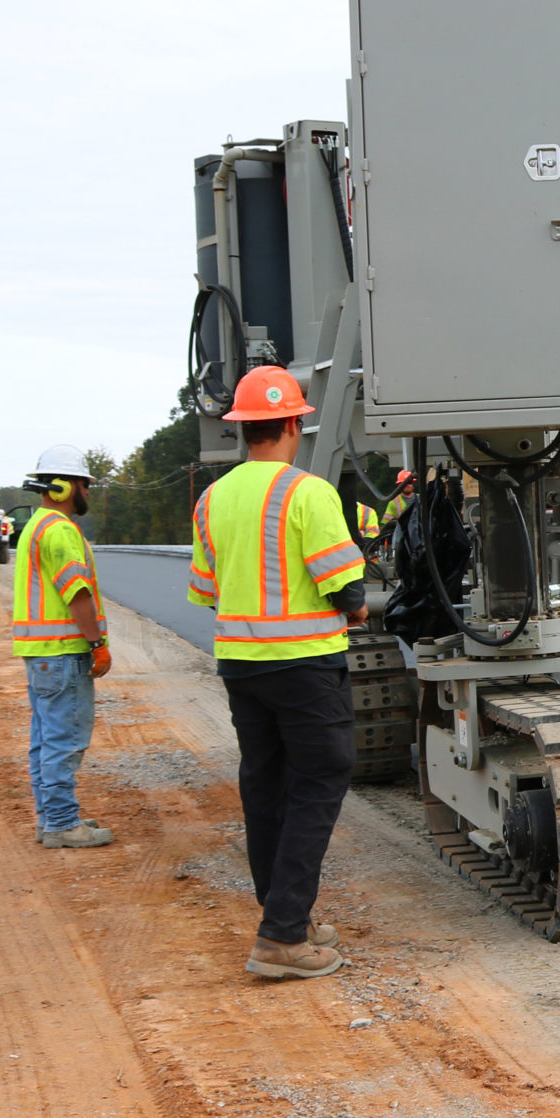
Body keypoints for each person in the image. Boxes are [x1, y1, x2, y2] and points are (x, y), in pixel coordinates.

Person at [189, 365, 367, 979]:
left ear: (243, 430)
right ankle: (283, 936)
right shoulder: (308, 492)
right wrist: (361, 606)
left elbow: (208, 589)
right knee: (320, 780)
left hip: (241, 665)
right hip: (305, 666)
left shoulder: (212, 499)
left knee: (265, 789)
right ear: (294, 424)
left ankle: (284, 916)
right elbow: (346, 588)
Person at [12, 445, 113, 849]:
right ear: (61, 487)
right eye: (84, 484)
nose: (87, 491)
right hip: (63, 652)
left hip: (42, 655)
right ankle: (61, 823)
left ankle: (51, 817)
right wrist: (98, 643)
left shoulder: (36, 526)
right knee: (64, 740)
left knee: (46, 739)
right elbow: (77, 593)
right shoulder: (59, 531)